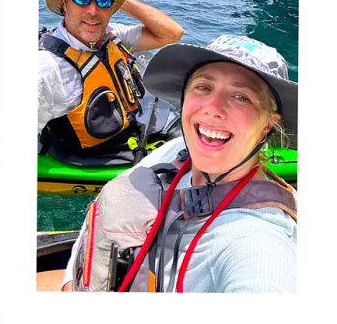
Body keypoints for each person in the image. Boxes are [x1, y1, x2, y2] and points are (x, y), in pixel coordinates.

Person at [60, 34, 297, 293]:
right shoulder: (180, 152)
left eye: (241, 97)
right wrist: (71, 283)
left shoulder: (257, 242)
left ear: (267, 127)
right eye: (204, 87)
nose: (212, 108)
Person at [38, 0, 184, 159]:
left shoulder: (112, 34)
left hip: (130, 130)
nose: (93, 11)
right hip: (97, 156)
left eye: (103, 0)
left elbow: (172, 33)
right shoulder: (46, 68)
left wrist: (119, 0)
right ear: (64, 1)